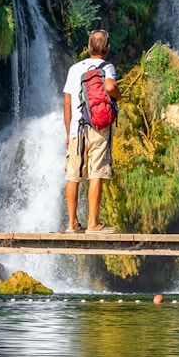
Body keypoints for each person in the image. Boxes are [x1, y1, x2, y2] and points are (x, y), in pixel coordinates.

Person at [63, 29, 121, 233]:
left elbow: (67, 103)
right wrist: (118, 95)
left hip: (77, 129)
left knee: (73, 176)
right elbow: (110, 86)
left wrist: (68, 132)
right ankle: (93, 224)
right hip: (98, 127)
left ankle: (71, 224)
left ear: (88, 47)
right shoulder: (107, 66)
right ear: (107, 48)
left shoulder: (74, 69)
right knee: (96, 173)